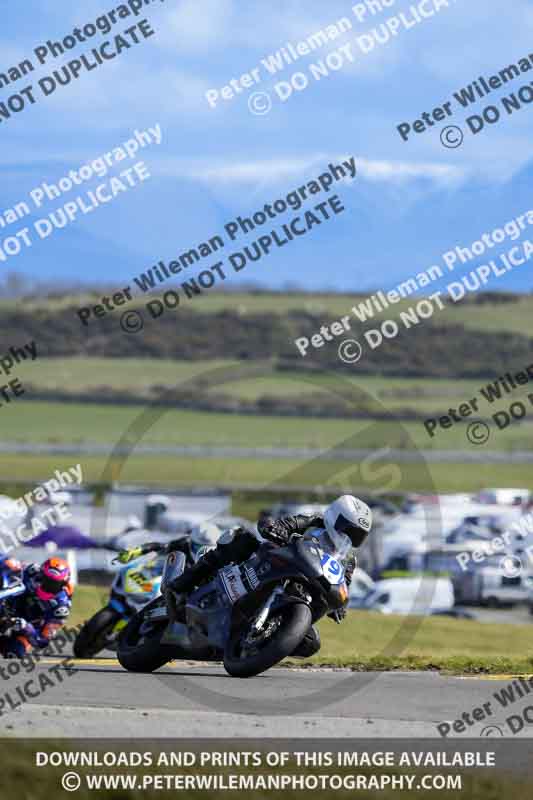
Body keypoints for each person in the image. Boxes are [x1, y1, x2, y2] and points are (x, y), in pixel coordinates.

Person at [167, 495, 373, 658]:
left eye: (357, 536)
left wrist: (340, 607)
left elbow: (344, 583)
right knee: (240, 540)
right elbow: (283, 524)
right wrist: (275, 529)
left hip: (302, 588)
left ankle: (258, 646)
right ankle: (182, 584)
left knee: (311, 642)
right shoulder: (313, 524)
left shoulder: (348, 561)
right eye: (348, 530)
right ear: (335, 517)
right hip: (273, 563)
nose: (350, 537)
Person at [0, 556, 73, 658]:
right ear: (41, 572)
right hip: (10, 604)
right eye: (44, 579)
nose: (46, 585)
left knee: (15, 652)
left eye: (53, 583)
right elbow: (8, 563)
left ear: (63, 584)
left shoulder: (61, 608)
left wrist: (26, 627)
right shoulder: (32, 571)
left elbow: (42, 641)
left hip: (27, 624)